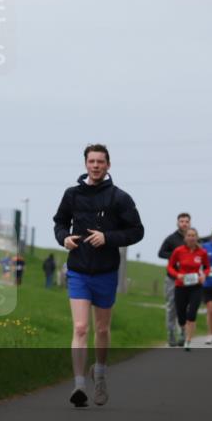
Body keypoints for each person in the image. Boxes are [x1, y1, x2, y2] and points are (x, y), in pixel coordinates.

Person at [53, 144, 145, 407]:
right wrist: (64, 238)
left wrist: (108, 238)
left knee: (102, 329)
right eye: (91, 161)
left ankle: (100, 373)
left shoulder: (119, 198)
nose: (95, 166)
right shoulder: (72, 194)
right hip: (78, 270)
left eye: (100, 162)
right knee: (80, 328)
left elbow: (137, 231)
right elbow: (60, 223)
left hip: (105, 271)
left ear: (108, 165)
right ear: (85, 164)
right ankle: (79, 385)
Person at [166, 227, 210, 351]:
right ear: (185, 238)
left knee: (191, 314)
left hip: (196, 287)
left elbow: (207, 267)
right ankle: (182, 329)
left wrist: (204, 275)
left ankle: (188, 341)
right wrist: (177, 275)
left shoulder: (202, 252)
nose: (191, 238)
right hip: (181, 286)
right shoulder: (178, 251)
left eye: (193, 235)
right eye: (189, 235)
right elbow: (170, 267)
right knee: (181, 315)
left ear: (197, 238)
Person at [158, 213, 191, 347]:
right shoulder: (171, 239)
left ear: (190, 223)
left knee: (185, 306)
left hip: (189, 279)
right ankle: (171, 333)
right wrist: (176, 255)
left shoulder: (192, 239)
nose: (184, 224)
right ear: (178, 223)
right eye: (182, 221)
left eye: (186, 221)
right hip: (172, 278)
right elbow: (161, 253)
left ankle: (182, 332)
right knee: (172, 306)